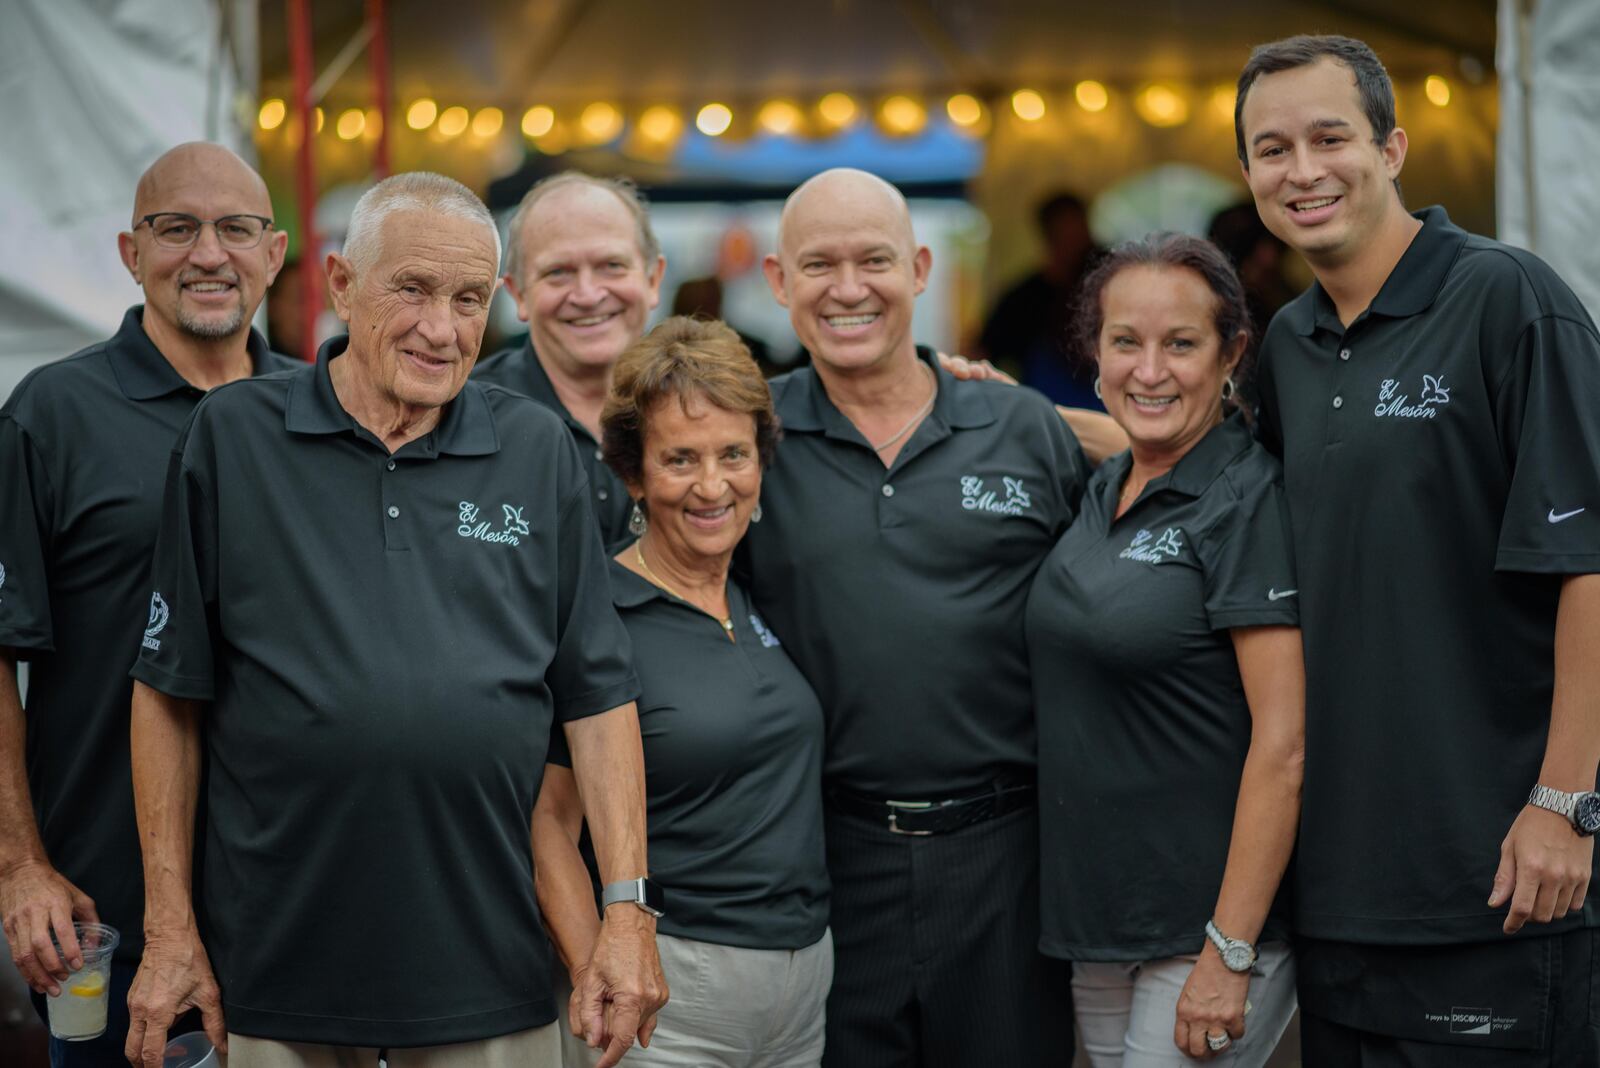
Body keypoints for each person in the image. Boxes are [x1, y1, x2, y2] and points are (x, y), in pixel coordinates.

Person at [122, 172, 666, 1068]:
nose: (440, 329)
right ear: (341, 285)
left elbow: (599, 700)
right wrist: (169, 927)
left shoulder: (533, 449)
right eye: (410, 289)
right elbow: (169, 691)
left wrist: (626, 912)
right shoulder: (234, 436)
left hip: (492, 964)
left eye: (466, 299)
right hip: (278, 960)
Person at [1236, 34, 1600, 1065]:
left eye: (1328, 137)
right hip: (1343, 896)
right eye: (1272, 149)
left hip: (1499, 882)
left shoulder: (1507, 300)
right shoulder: (1290, 347)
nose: (1301, 172)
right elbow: (1209, 474)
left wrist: (1567, 804)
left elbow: (1591, 565)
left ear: (1391, 147)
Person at [747, 167, 1088, 1067]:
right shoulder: (746, 442)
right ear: (779, 282)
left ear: (922, 268)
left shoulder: (1023, 427)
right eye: (818, 265)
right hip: (824, 858)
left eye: (875, 260)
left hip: (1008, 857)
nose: (848, 288)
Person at [0, 142, 294, 1068]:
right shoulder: (52, 414)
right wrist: (19, 864)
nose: (209, 254)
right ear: (132, 253)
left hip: (292, 897)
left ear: (274, 253)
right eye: (177, 229)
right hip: (105, 907)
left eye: (235, 229)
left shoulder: (318, 414)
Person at [1028, 234, 1304, 1066]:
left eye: (1181, 344)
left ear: (1233, 354)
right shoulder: (1110, 484)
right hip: (1102, 922)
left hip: (1205, 933)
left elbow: (1286, 748)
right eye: (1126, 342)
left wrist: (1230, 951)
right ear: (1094, 350)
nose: (1150, 371)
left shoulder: (1247, 499)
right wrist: (976, 390)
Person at [533, 316, 831, 1067]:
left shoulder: (755, 592)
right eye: (680, 459)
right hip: (675, 996)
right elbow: (546, 828)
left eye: (734, 454)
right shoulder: (601, 613)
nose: (711, 486)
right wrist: (599, 976)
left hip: (802, 988)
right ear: (633, 474)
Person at [474, 172, 666, 548]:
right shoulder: (467, 421)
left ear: (653, 279)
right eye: (558, 272)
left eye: (612, 265)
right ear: (519, 294)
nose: (588, 294)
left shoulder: (702, 409)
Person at [978, 191, 1105, 408]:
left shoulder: (1111, 284)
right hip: (1047, 414)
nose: (1076, 245)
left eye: (1078, 234)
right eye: (1065, 235)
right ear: (1048, 237)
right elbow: (981, 353)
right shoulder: (1022, 300)